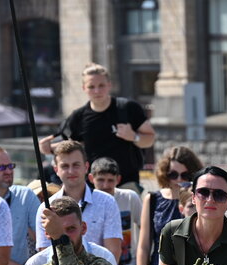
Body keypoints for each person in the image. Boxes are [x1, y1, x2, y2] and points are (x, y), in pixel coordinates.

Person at [39, 62, 156, 193]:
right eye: (91, 87)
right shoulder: (77, 117)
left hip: (126, 184)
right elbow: (68, 147)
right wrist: (48, 149)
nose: (97, 91)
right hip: (93, 187)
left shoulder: (127, 108)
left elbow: (150, 138)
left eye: (101, 85)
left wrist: (134, 137)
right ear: (84, 88)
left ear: (109, 85)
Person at [136, 146, 203, 265]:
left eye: (185, 175)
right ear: (165, 173)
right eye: (173, 174)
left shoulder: (199, 198)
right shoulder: (153, 199)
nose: (179, 179)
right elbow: (144, 246)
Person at [34, 140, 122, 262]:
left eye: (76, 165)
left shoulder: (107, 202)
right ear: (56, 170)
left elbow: (113, 253)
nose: (71, 171)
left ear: (86, 167)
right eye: (65, 166)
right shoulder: (46, 209)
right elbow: (45, 257)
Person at [88, 157, 142, 265]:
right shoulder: (87, 202)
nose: (105, 186)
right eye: (101, 180)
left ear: (118, 179)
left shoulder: (130, 197)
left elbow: (144, 227)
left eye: (110, 181)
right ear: (91, 179)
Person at [0, 146, 42, 265]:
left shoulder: (25, 196)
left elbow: (44, 239)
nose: (8, 171)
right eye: (1, 167)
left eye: (10, 166)